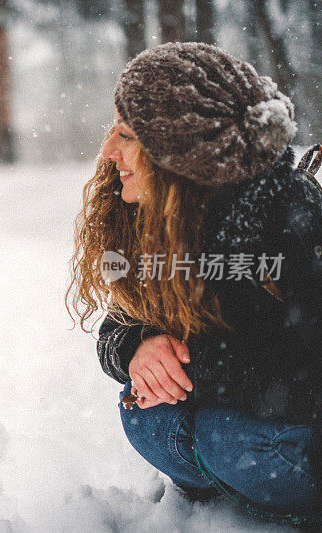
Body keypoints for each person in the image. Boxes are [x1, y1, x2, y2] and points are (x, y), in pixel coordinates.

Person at [67, 41, 322, 521]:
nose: (107, 151)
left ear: (179, 152)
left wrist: (196, 369)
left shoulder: (290, 221)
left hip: (292, 431)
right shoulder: (164, 215)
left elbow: (308, 375)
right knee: (148, 416)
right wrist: (140, 348)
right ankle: (230, 480)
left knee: (222, 434)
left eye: (126, 135)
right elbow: (116, 325)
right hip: (241, 422)